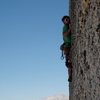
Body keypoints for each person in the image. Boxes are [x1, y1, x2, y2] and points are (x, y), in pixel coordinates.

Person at [60, 15, 72, 82]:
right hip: (67, 46)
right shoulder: (65, 27)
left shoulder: (67, 26)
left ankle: (70, 75)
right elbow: (65, 35)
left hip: (68, 45)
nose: (67, 20)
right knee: (68, 62)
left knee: (69, 62)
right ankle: (70, 75)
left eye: (67, 19)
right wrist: (70, 29)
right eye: (66, 20)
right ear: (64, 22)